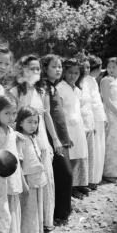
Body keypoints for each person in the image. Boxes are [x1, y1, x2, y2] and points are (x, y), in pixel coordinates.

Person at [10, 55, 57, 231]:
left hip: (42, 139)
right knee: (28, 181)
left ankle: (45, 221)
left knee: (45, 180)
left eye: (38, 69)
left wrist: (55, 140)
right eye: (31, 68)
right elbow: (11, 119)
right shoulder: (15, 92)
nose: (35, 72)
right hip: (23, 141)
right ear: (23, 70)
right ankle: (28, 225)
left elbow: (47, 116)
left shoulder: (42, 91)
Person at [39, 54, 73, 225]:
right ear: (45, 68)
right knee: (64, 174)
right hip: (53, 138)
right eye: (54, 66)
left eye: (60, 66)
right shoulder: (45, 86)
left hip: (61, 135)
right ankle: (59, 214)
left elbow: (60, 114)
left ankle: (64, 211)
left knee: (64, 174)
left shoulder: (55, 86)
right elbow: (46, 113)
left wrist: (66, 136)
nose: (58, 69)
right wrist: (56, 138)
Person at [0, 95, 24, 233]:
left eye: (14, 113)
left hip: (13, 177)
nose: (11, 117)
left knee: (12, 210)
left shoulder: (12, 131)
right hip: (0, 181)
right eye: (7, 113)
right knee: (2, 211)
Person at [57, 58, 89, 200]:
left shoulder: (77, 89)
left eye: (76, 73)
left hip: (78, 127)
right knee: (68, 160)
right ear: (64, 72)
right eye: (70, 72)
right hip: (67, 128)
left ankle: (73, 187)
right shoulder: (60, 88)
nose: (73, 76)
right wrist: (64, 134)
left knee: (76, 158)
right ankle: (66, 190)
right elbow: (60, 112)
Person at [16, 106, 47, 233]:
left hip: (38, 178)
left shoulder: (34, 138)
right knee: (29, 210)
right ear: (21, 122)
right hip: (28, 179)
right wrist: (23, 183)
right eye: (29, 122)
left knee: (37, 209)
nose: (33, 125)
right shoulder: (20, 139)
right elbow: (19, 163)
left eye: (35, 122)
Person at [86, 55, 106, 186]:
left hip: (99, 117)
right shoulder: (86, 81)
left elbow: (98, 101)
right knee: (95, 149)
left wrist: (103, 117)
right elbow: (90, 103)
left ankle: (97, 177)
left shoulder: (93, 80)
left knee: (100, 148)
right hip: (93, 119)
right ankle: (92, 179)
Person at [100, 57, 117, 183]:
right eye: (109, 67)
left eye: (114, 67)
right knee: (111, 142)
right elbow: (106, 100)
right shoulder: (105, 80)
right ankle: (109, 172)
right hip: (111, 113)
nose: (111, 69)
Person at [79, 58, 96, 191]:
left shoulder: (89, 82)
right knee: (80, 155)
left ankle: (88, 181)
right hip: (80, 123)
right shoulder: (77, 83)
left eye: (89, 67)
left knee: (90, 153)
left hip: (89, 120)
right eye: (84, 67)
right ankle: (78, 184)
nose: (87, 70)